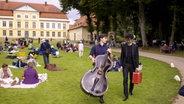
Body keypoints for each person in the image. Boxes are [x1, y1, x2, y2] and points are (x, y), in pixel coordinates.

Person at [89, 33, 112, 103]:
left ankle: (101, 96)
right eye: (105, 38)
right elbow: (90, 55)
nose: (106, 39)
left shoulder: (107, 48)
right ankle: (92, 89)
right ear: (101, 39)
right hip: (97, 66)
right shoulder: (95, 47)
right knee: (96, 78)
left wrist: (110, 53)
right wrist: (92, 58)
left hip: (104, 67)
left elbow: (110, 58)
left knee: (102, 81)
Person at [120, 33, 139, 101]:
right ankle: (126, 95)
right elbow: (122, 56)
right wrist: (121, 65)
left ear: (132, 39)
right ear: (126, 39)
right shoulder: (123, 46)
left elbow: (136, 57)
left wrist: (137, 67)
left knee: (132, 80)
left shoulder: (135, 47)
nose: (128, 41)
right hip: (125, 65)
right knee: (125, 79)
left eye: (130, 39)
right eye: (127, 40)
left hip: (132, 65)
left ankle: (130, 91)